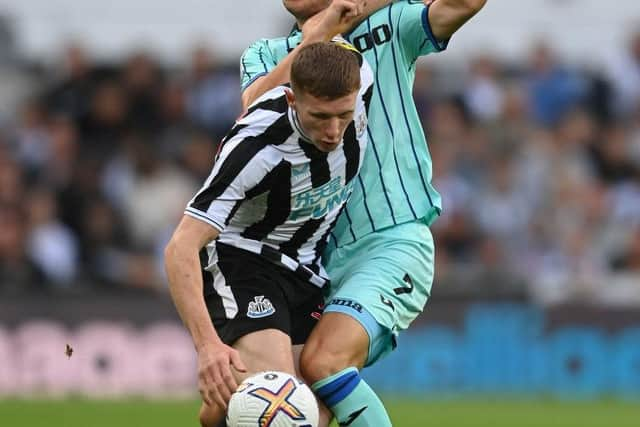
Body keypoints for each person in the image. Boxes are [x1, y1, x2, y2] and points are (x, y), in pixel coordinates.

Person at [240, 1, 487, 426]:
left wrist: (359, 8)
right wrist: (318, 33)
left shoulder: (388, 26)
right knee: (292, 411)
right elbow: (253, 110)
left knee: (325, 361)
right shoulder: (265, 53)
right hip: (307, 262)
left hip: (391, 239)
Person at [164, 41, 373, 427]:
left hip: (307, 269)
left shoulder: (363, 81)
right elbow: (180, 247)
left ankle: (223, 406)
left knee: (319, 410)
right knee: (284, 409)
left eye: (343, 116)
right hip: (244, 260)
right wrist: (208, 346)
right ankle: (235, 391)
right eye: (320, 116)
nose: (332, 132)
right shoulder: (256, 147)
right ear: (292, 99)